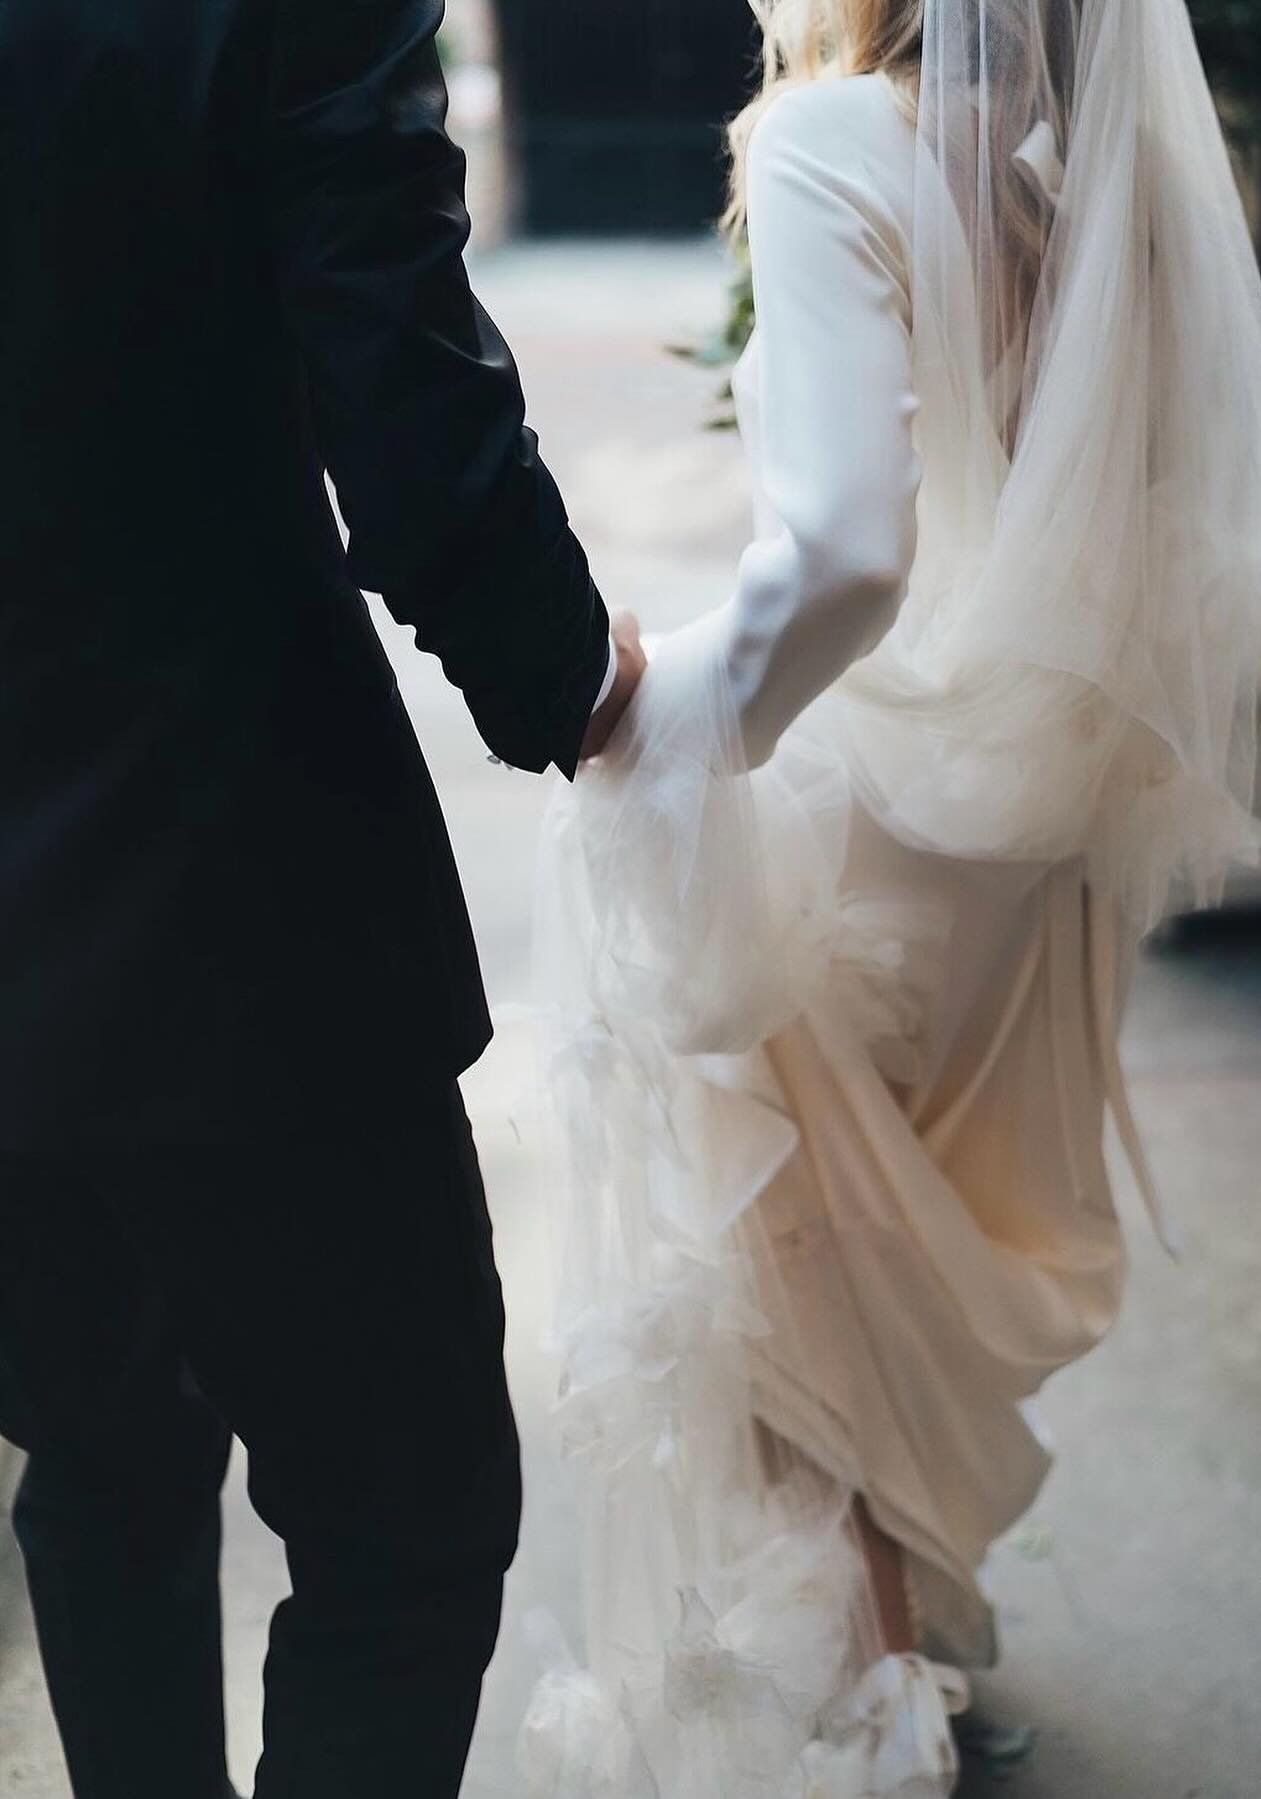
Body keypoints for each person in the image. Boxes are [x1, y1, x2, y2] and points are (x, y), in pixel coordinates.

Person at [522, 1, 1261, 1795]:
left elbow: (844, 550)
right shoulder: (1087, 195)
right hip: (1035, 818)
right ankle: (910, 1658)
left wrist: (667, 718)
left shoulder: (837, 145)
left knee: (792, 1260)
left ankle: (883, 1713)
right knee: (881, 1249)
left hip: (878, 802)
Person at [0, 4, 641, 1797]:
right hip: (236, 901)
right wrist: (571, 670)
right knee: (409, 1525)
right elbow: (403, 382)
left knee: (97, 1457)